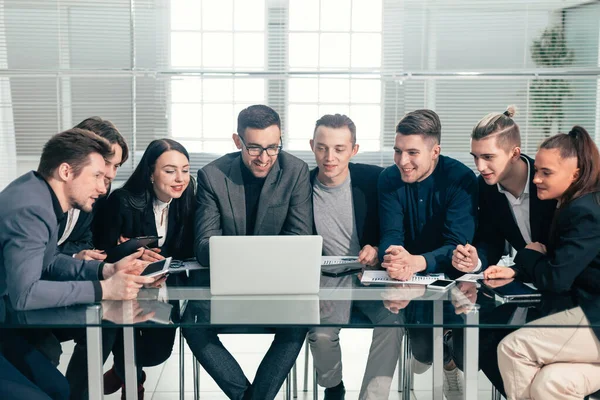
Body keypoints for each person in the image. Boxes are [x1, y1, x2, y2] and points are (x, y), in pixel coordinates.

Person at [0, 129, 155, 399]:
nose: (103, 187)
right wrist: (105, 290)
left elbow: (48, 263)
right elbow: (25, 295)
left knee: (60, 388)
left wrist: (105, 270)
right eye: (96, 176)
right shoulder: (32, 208)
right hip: (7, 318)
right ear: (66, 171)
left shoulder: (39, 195)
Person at [182, 104, 312, 400]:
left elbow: (300, 237)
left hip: (278, 287)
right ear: (237, 141)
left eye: (272, 147)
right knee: (191, 320)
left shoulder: (295, 171)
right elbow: (204, 246)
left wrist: (243, 254)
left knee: (301, 319)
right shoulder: (213, 175)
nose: (264, 158)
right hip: (227, 287)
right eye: (254, 148)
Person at [484, 125, 600, 400]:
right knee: (550, 383)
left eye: (546, 172)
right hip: (586, 315)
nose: (535, 179)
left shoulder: (585, 211)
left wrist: (528, 253)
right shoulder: (574, 205)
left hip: (594, 319)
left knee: (513, 348)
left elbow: (556, 279)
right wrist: (522, 266)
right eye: (537, 170)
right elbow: (559, 263)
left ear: (576, 173)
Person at [449, 106, 557, 395]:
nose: (480, 166)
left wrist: (523, 262)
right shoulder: (485, 188)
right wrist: (476, 260)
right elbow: (489, 240)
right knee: (479, 341)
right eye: (475, 157)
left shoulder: (549, 180)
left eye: (488, 157)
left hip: (560, 282)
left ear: (514, 153)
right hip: (525, 282)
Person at [377, 109, 478, 397]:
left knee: (466, 353)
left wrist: (416, 261)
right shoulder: (388, 178)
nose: (402, 161)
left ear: (435, 151)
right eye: (397, 151)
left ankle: (450, 362)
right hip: (411, 283)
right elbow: (390, 235)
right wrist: (393, 256)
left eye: (412, 152)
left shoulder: (461, 179)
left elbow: (458, 244)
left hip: (455, 278)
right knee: (422, 354)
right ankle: (440, 358)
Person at [94, 138, 195, 399]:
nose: (180, 178)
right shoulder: (123, 201)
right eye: (170, 170)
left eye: (185, 170)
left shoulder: (186, 197)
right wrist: (131, 251)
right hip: (123, 287)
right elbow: (101, 253)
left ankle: (122, 371)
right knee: (127, 339)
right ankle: (132, 380)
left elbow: (186, 247)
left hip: (163, 286)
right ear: (150, 173)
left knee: (156, 353)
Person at [306, 113, 396, 400]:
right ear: (312, 146)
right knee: (320, 334)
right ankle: (333, 387)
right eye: (322, 147)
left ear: (354, 150)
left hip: (372, 277)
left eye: (339, 149)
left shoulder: (374, 180)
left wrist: (378, 249)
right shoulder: (300, 186)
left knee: (394, 322)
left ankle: (372, 397)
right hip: (326, 280)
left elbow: (395, 227)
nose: (329, 157)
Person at [57, 117, 129, 261]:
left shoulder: (100, 189)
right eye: (106, 163)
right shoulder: (47, 193)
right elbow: (39, 249)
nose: (111, 174)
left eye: (116, 166)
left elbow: (88, 241)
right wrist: (73, 255)